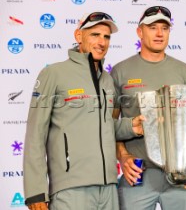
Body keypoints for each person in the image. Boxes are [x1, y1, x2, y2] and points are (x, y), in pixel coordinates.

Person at [23, 12, 143, 210]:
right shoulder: (53, 73)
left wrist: (130, 126)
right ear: (79, 36)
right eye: (95, 35)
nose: (102, 42)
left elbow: (103, 126)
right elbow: (35, 134)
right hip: (71, 188)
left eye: (106, 37)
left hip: (108, 188)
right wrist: (35, 191)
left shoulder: (106, 80)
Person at [110, 6, 186, 210]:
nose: (159, 33)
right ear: (140, 32)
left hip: (179, 176)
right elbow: (110, 124)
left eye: (164, 28)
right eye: (152, 27)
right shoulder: (120, 71)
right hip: (138, 175)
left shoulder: (184, 71)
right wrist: (123, 156)